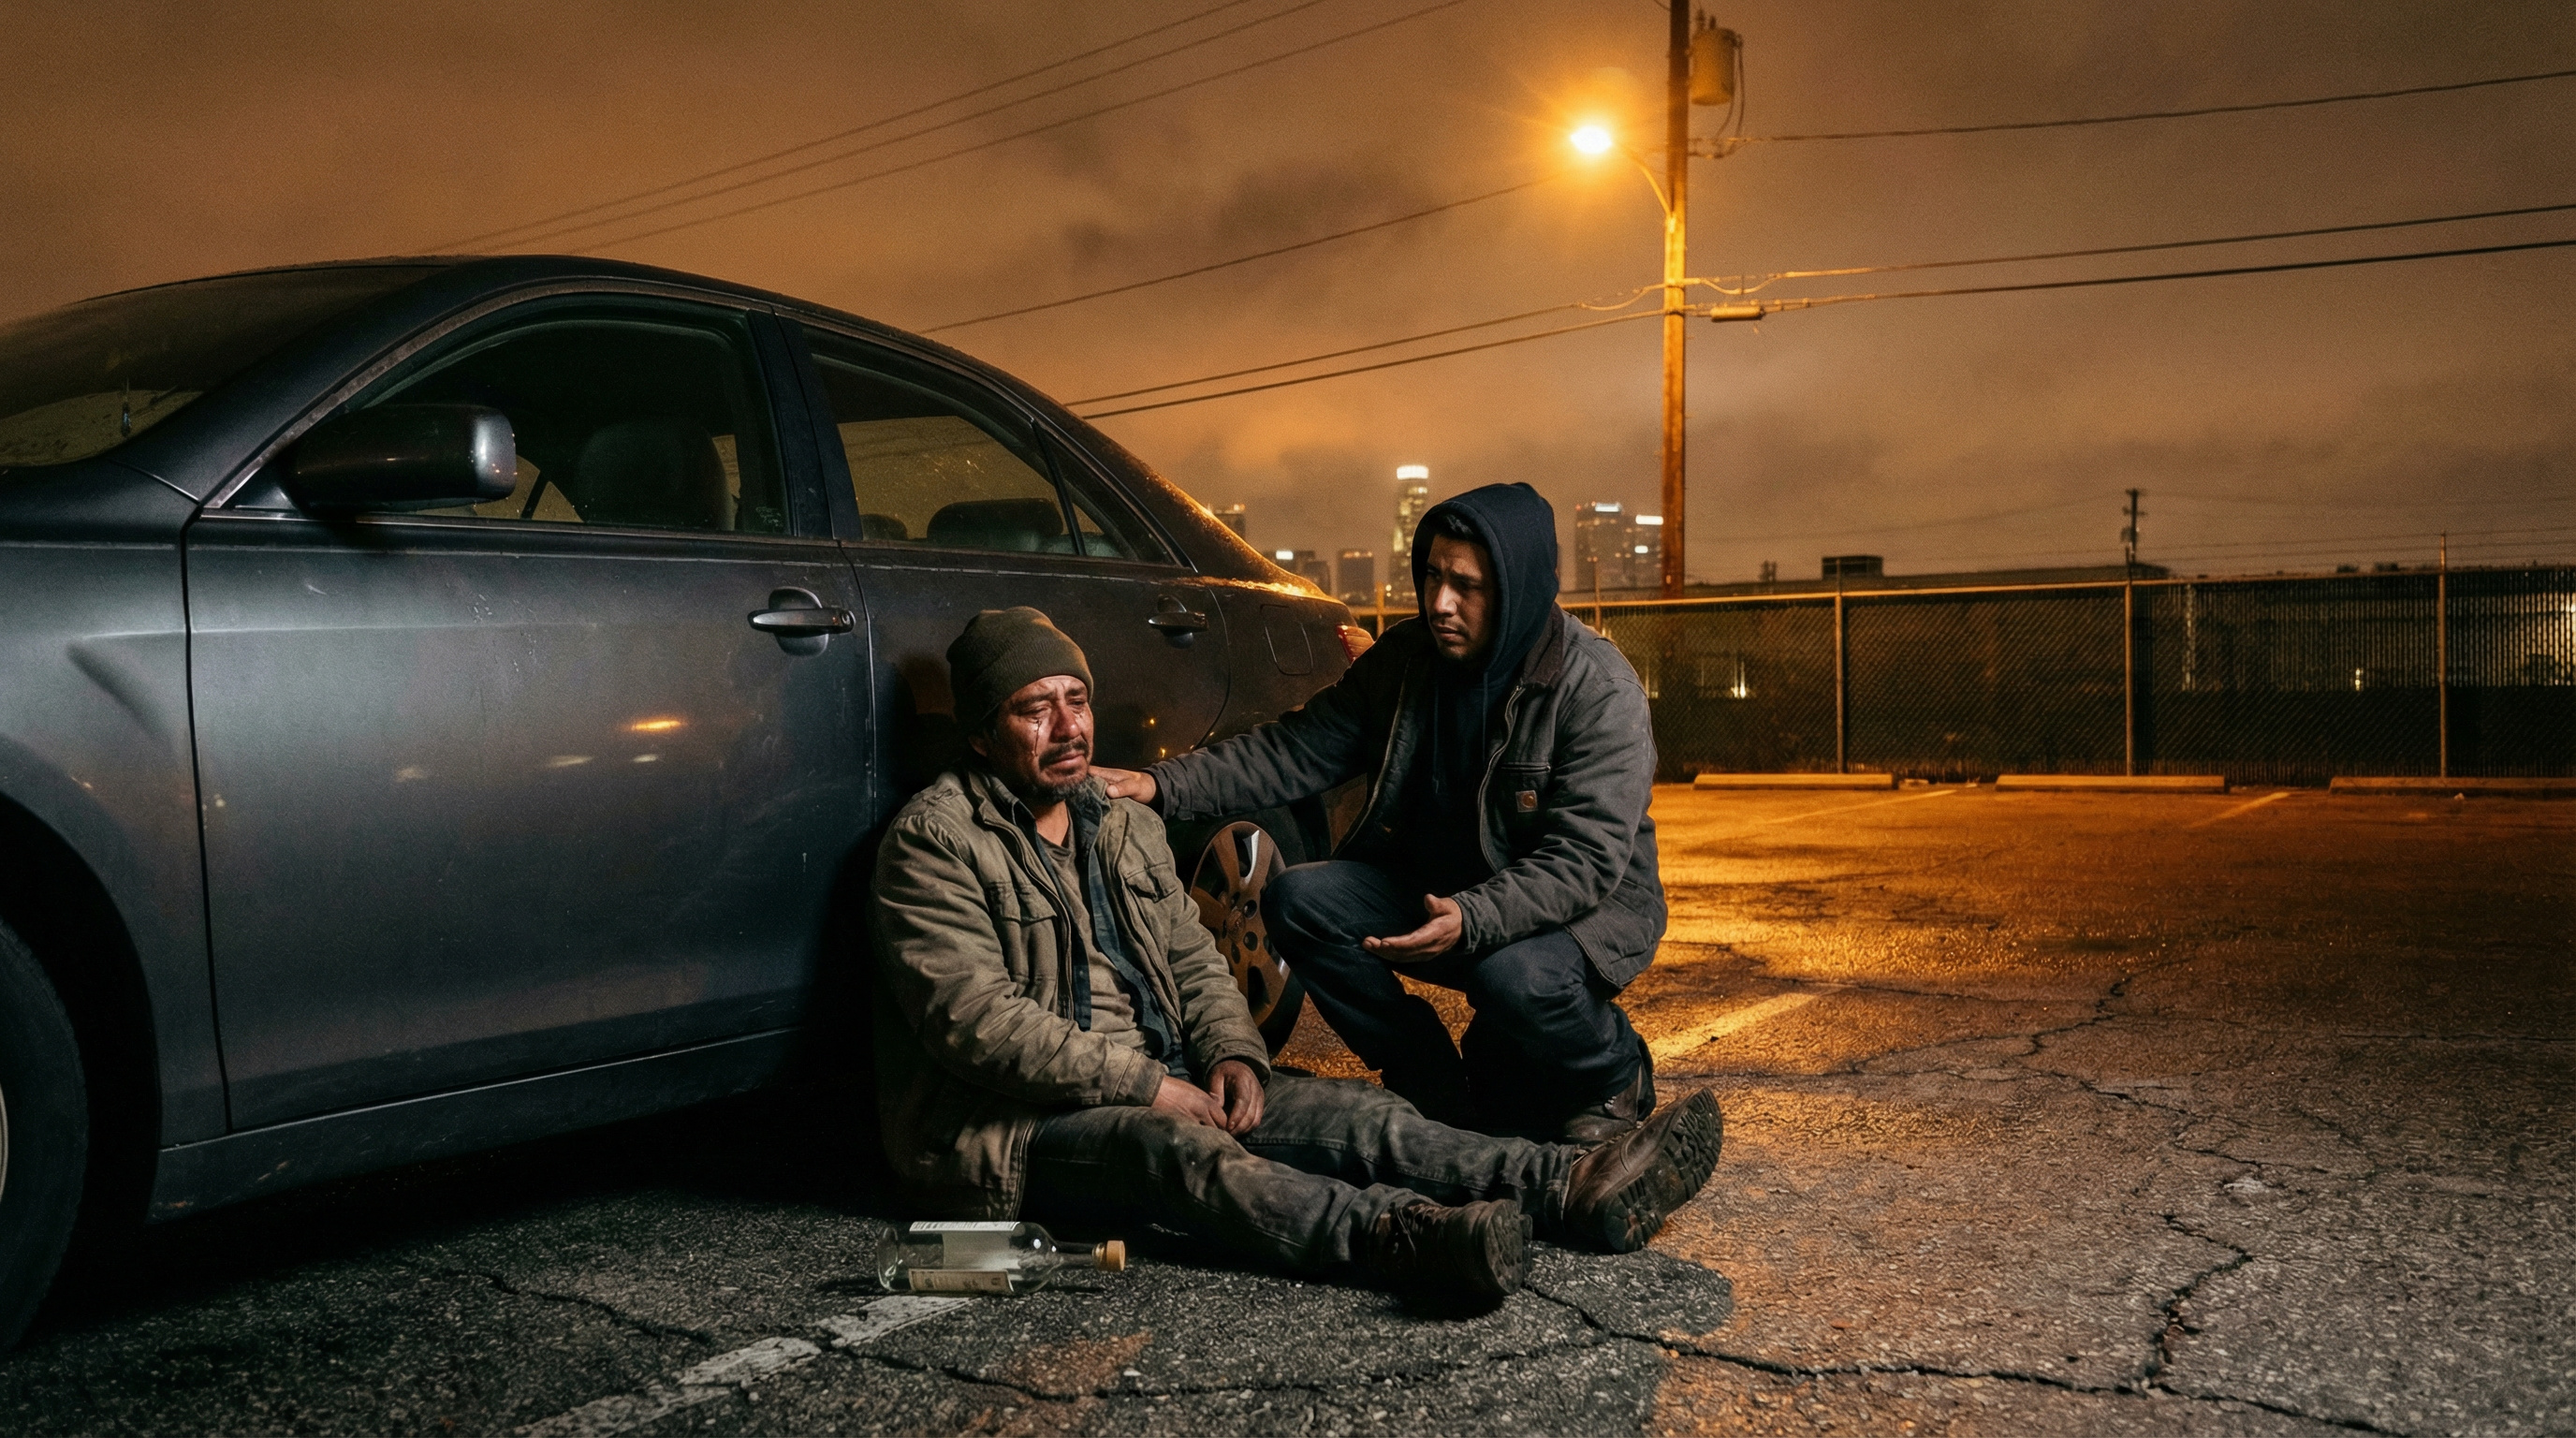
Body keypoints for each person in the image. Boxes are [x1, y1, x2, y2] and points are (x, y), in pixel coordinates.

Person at [871, 607, 1720, 1307]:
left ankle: (1568, 1183)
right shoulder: (935, 843)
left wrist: (1234, 1052)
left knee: (1359, 1118)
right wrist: (1150, 1089)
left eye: (1077, 700)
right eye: (1034, 709)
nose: (1068, 728)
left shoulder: (1120, 820)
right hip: (1020, 1126)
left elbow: (1195, 958)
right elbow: (975, 1025)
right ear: (983, 736)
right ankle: (1403, 1239)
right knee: (1186, 1159)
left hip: (1166, 1072)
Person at [1098, 483, 1665, 1143]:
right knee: (1300, 900)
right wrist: (1159, 785)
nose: (1440, 603)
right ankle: (1430, 1082)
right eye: (1433, 576)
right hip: (1443, 892)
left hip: (1578, 912)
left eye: (1468, 587)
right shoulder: (1407, 661)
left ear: (1521, 589)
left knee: (1513, 982)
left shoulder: (1597, 690)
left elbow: (1583, 862)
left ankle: (1615, 1074)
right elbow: (1295, 749)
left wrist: (1475, 917)